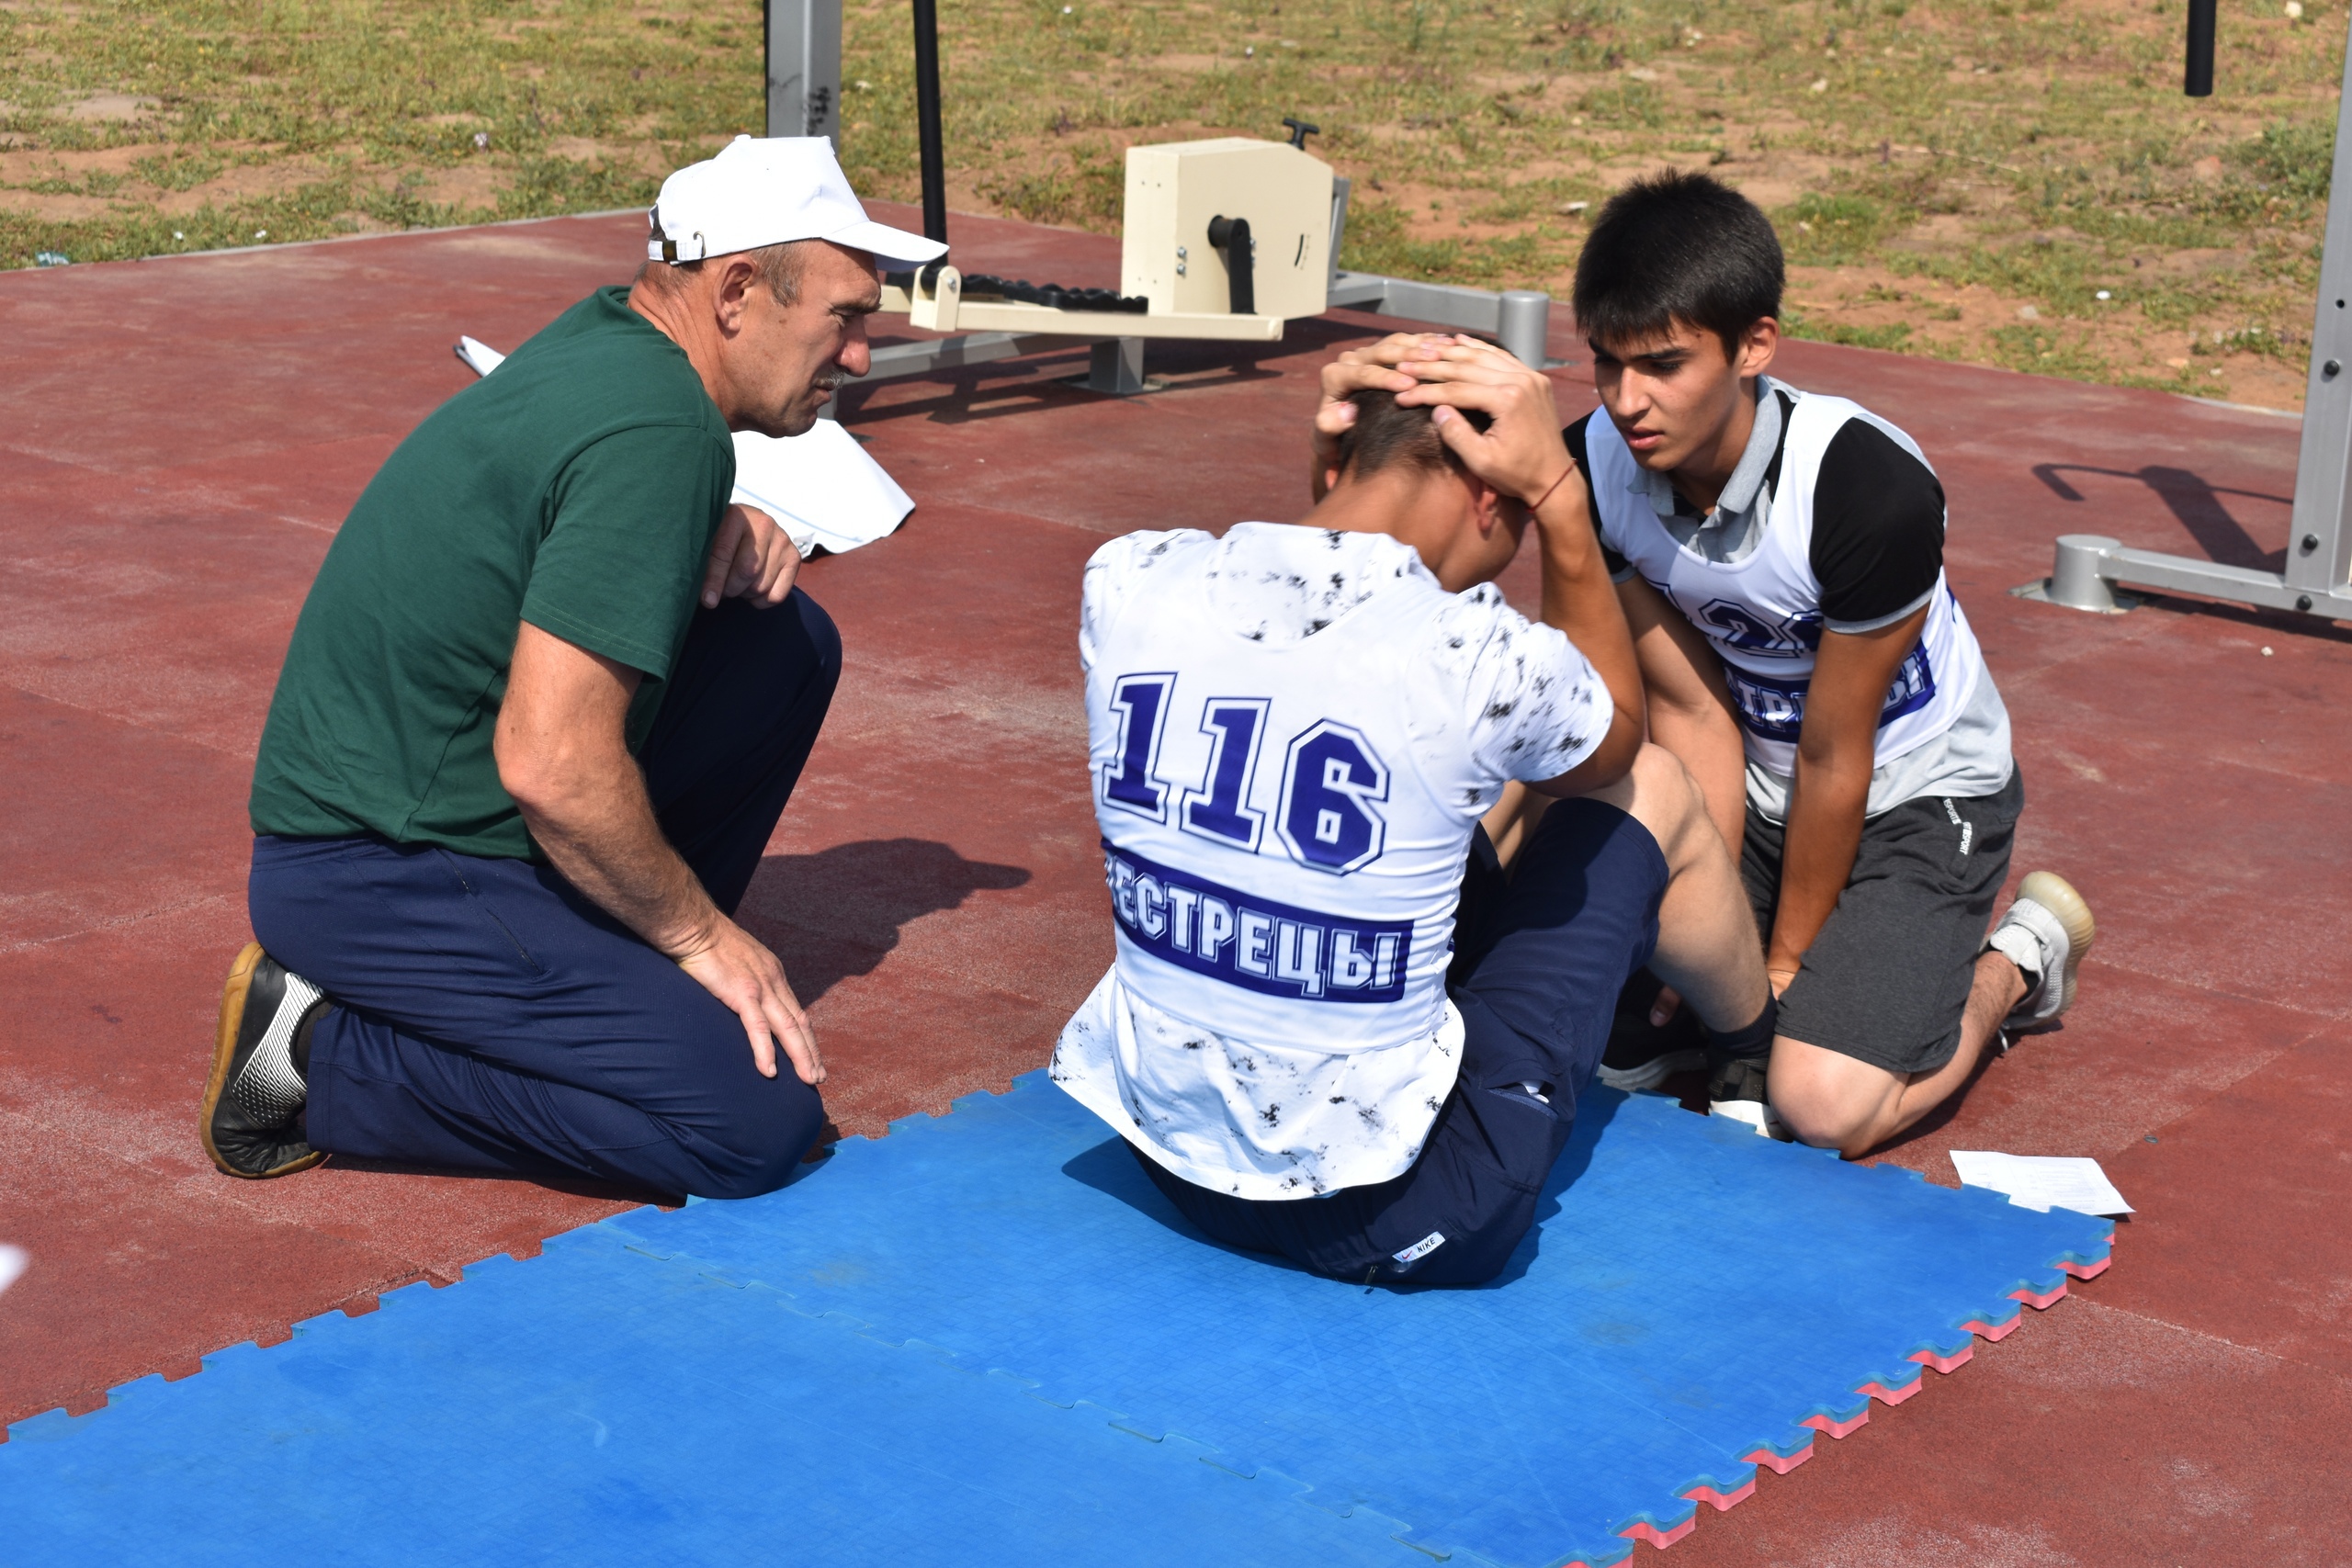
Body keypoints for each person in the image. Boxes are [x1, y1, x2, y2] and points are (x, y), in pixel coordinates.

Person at [199, 137, 945, 1197]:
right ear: (737, 291)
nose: (862, 354)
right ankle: (321, 1057)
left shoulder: (614, 347)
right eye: (847, 316)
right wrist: (696, 932)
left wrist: (704, 526)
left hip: (392, 832)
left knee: (782, 644)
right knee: (755, 1126)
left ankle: (613, 969)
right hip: (377, 876)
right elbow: (551, 764)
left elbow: (548, 500)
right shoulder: (658, 429)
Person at [1049, 341, 1775, 1287]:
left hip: (1168, 1156)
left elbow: (1314, 577)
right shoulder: (1468, 655)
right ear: (1489, 499)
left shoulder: (1131, 577)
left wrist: (1331, 465)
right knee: (1654, 787)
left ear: (1337, 459)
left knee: (1452, 785)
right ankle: (1755, 1048)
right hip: (1402, 1210)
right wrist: (1560, 500)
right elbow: (1614, 735)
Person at [1563, 170, 2095, 1157]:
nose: (1626, 401)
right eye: (1604, 363)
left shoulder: (1864, 489)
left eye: (1665, 365)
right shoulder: (1590, 468)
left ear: (1754, 344)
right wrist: (1698, 894)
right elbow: (1691, 714)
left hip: (1918, 795)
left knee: (1817, 1106)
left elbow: (1834, 751)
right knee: (1608, 1024)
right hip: (1757, 788)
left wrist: (1776, 969)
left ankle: (2017, 961)